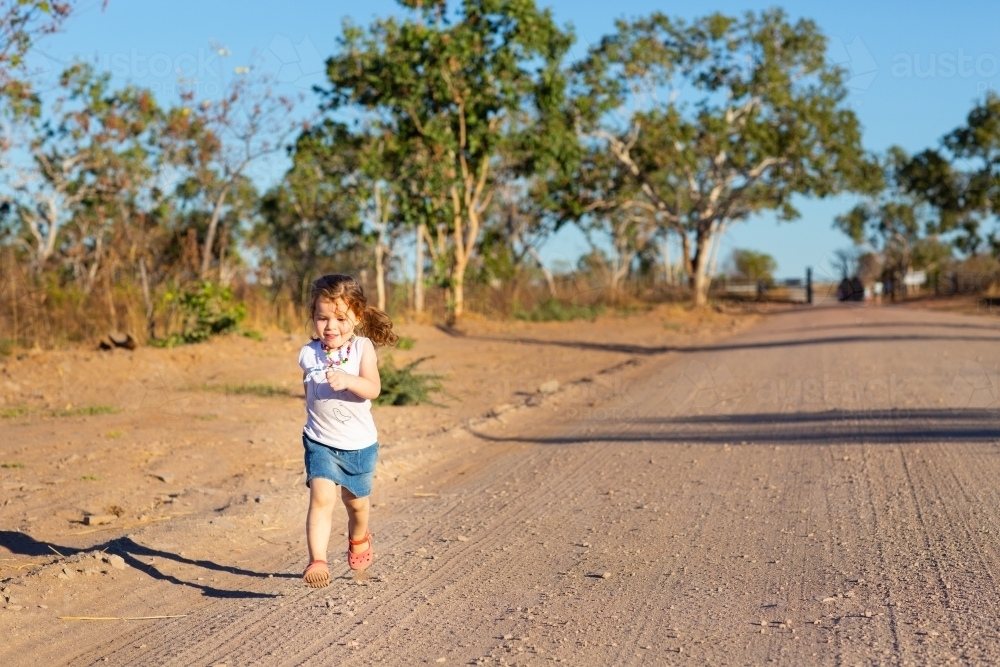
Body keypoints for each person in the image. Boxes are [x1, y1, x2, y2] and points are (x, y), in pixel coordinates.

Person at [299, 274, 398, 587]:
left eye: (340, 318)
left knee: (356, 504)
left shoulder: (362, 348)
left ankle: (358, 536)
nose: (331, 327)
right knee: (321, 499)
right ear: (313, 317)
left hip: (358, 446)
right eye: (322, 318)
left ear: (356, 316)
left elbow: (373, 388)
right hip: (321, 442)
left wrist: (348, 381)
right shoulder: (308, 354)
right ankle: (318, 560)